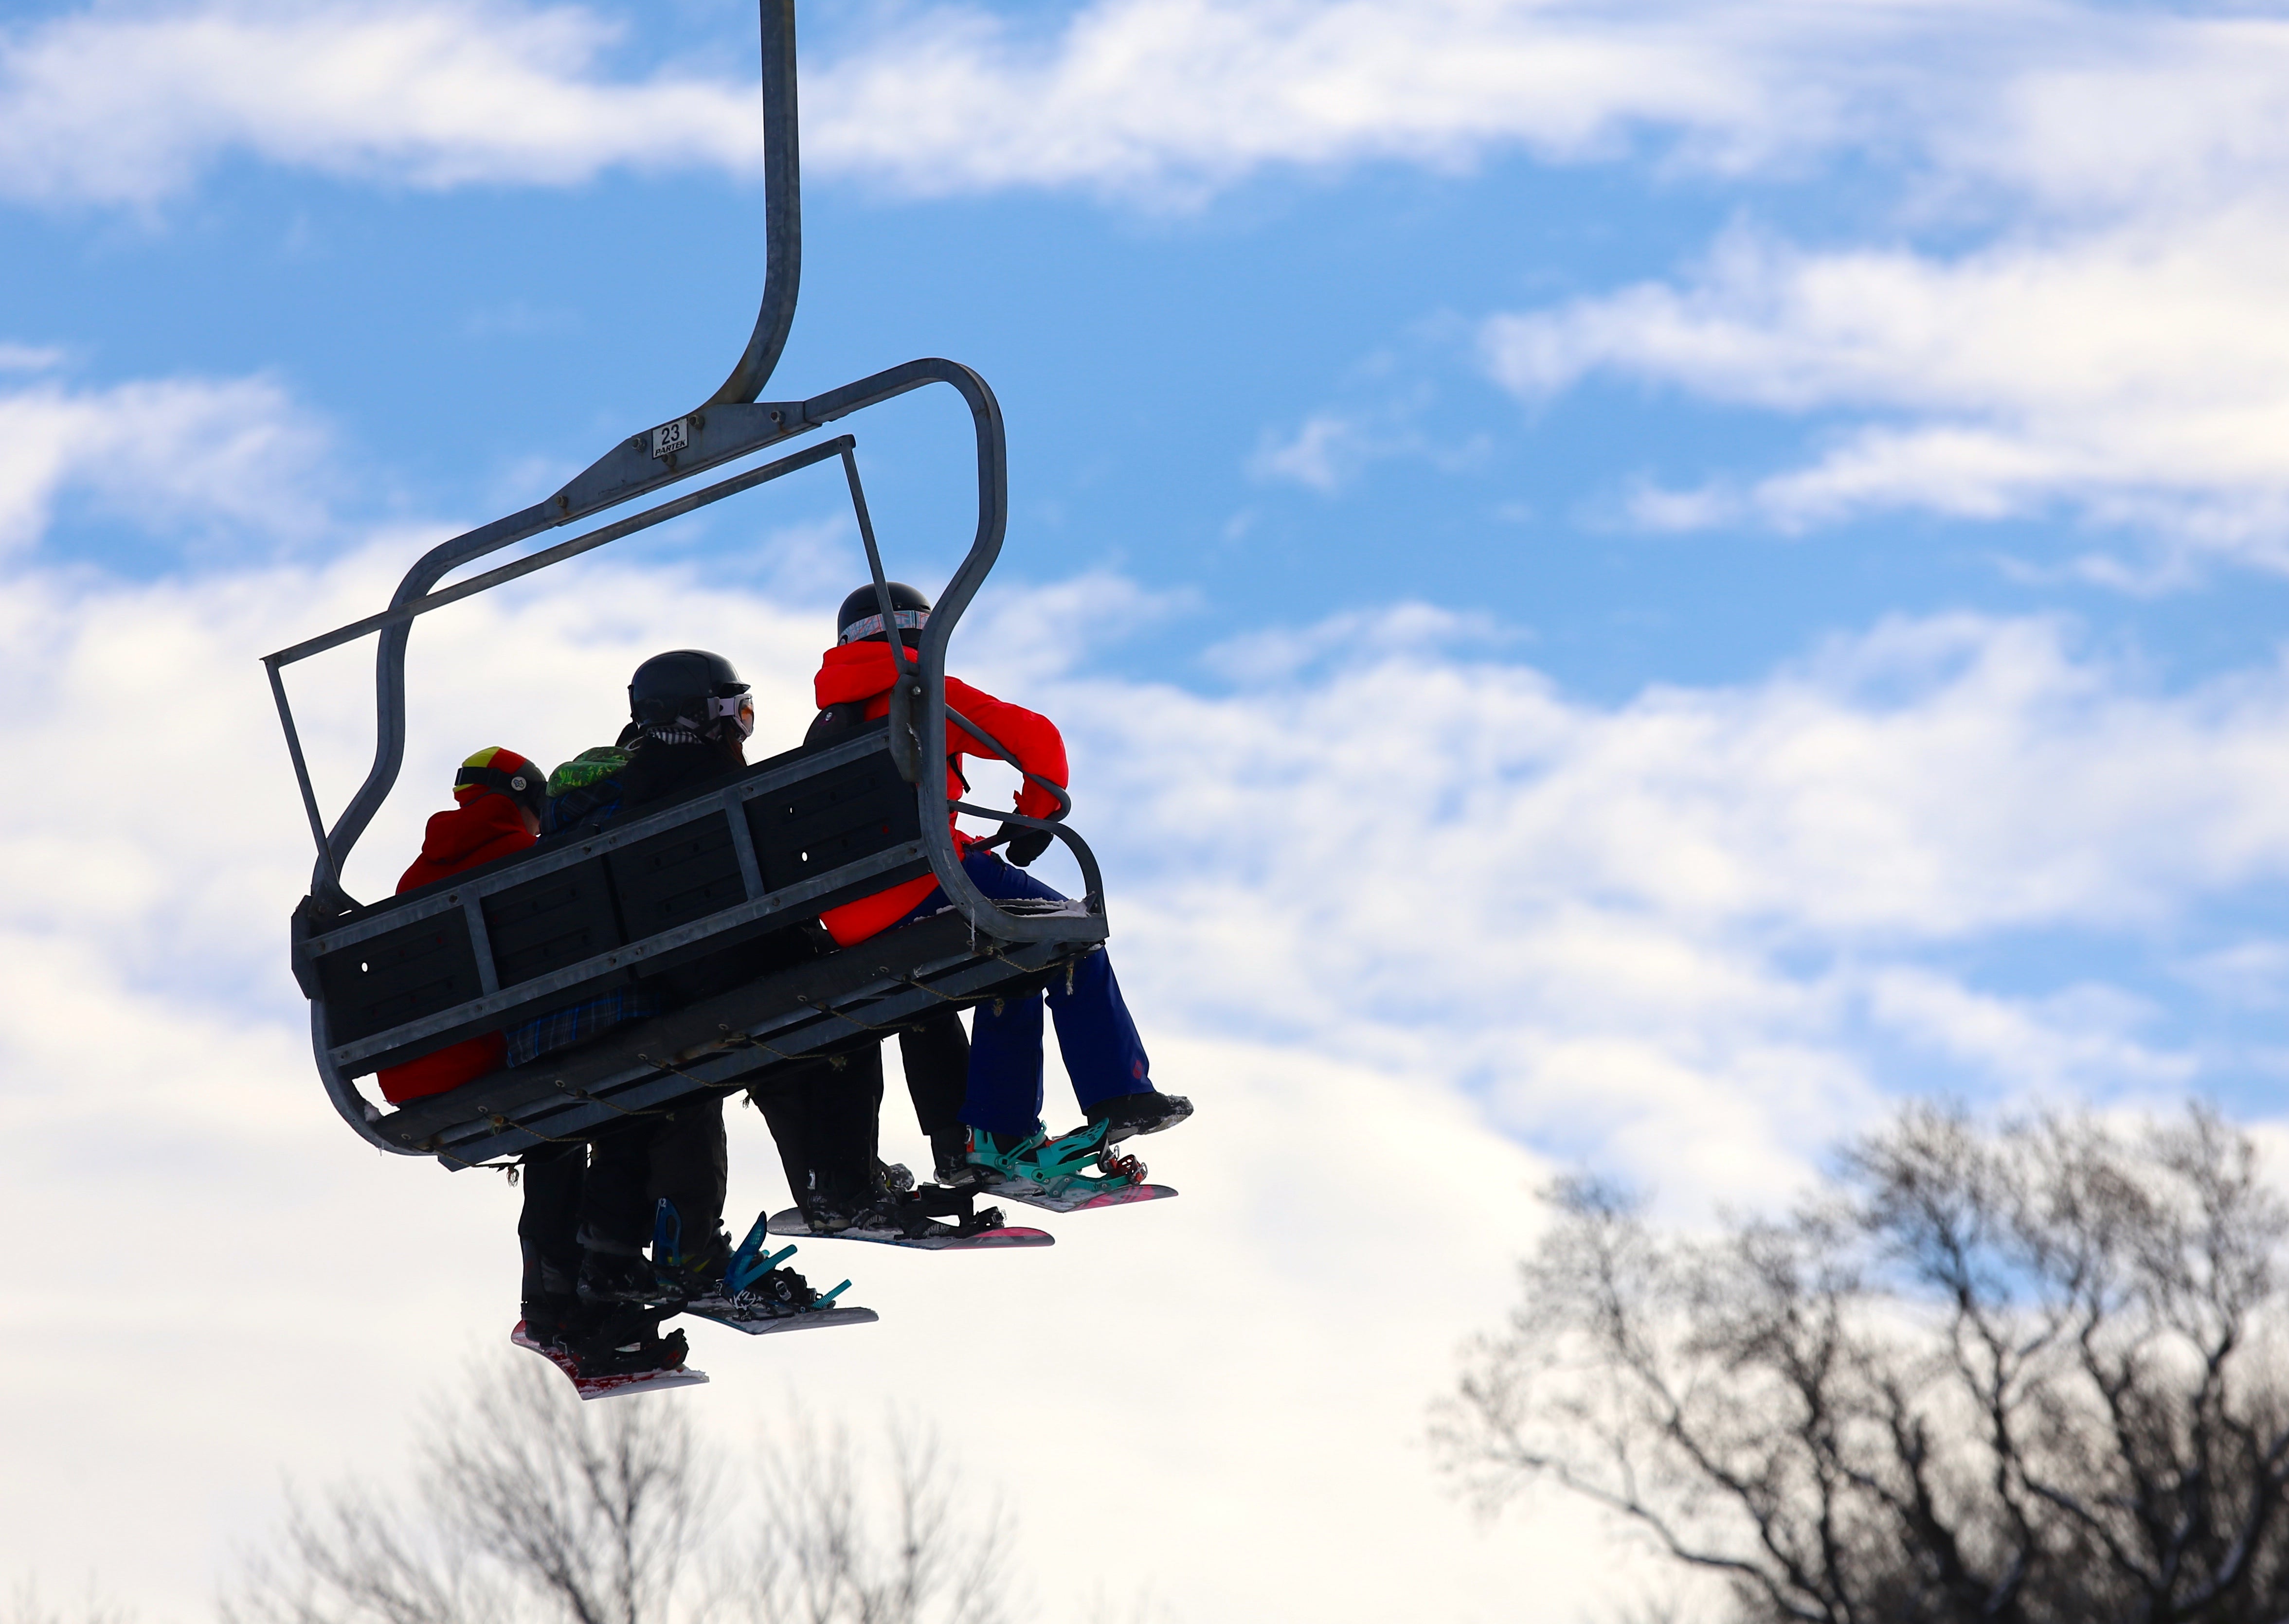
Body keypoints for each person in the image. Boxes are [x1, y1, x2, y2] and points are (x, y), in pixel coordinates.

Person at [810, 584, 1192, 1196]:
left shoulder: (825, 726)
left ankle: (1000, 1133)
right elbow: (1036, 740)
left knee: (1010, 963)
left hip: (852, 916)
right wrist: (1033, 814)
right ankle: (1118, 1093)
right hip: (925, 878)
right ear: (922, 634)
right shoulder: (918, 689)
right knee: (1069, 929)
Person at [520, 650, 843, 1357]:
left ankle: (596, 1279)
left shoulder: (579, 810)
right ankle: (705, 1246)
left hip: (538, 1022)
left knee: (641, 1090)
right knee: (683, 1073)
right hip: (635, 1000)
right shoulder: (687, 789)